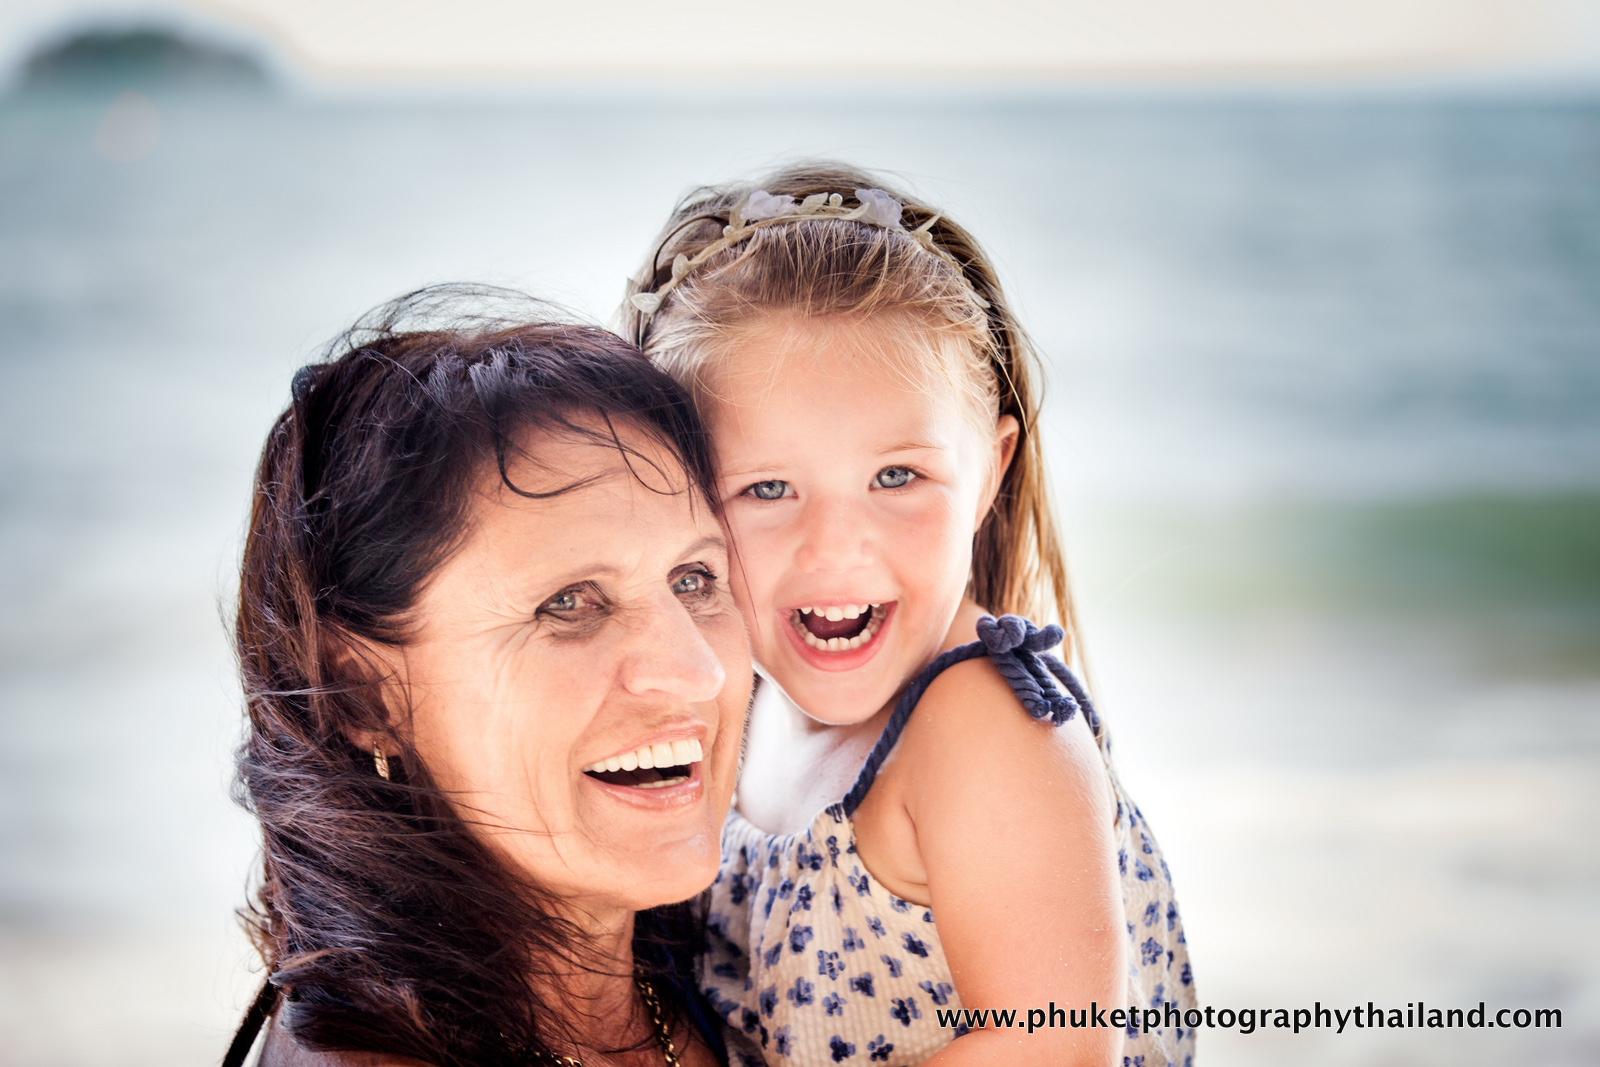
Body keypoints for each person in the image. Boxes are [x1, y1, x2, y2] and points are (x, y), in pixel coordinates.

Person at [622, 167, 1196, 1066]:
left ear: (990, 471)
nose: (834, 546)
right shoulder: (749, 706)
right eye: (767, 488)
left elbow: (1051, 1050)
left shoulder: (988, 728)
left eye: (897, 477)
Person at [224, 289, 753, 1067]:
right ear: (363, 695)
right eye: (569, 602)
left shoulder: (739, 962)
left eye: (695, 579)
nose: (697, 671)